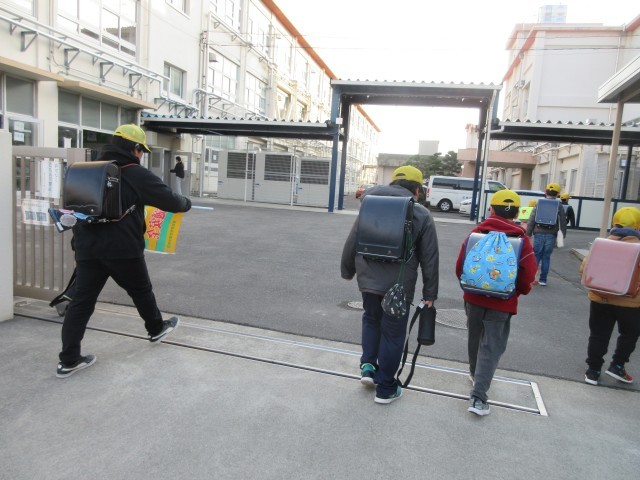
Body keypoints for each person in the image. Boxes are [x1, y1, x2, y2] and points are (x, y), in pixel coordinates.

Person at [56, 124, 192, 378]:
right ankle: (155, 328)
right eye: (142, 150)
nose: (141, 155)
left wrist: (77, 249)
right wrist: (187, 203)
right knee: (141, 290)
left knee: (82, 303)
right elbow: (170, 200)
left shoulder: (88, 170)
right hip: (123, 248)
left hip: (88, 248)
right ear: (135, 148)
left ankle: (68, 360)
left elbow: (76, 211)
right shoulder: (134, 172)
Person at [341, 166, 439, 404]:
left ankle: (368, 367)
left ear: (393, 183)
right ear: (417, 190)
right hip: (399, 287)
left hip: (368, 281)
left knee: (371, 320)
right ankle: (385, 388)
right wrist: (429, 293)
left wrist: (348, 270)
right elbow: (430, 258)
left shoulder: (370, 204)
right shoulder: (421, 214)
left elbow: (353, 240)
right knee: (393, 334)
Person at [456, 190, 537, 416]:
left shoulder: (476, 234)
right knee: (491, 346)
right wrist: (517, 292)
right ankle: (478, 397)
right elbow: (528, 274)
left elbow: (460, 266)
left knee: (474, 338)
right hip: (502, 302)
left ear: (491, 209)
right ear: (517, 213)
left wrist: (471, 287)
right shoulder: (521, 240)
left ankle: (474, 374)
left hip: (473, 298)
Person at [582, 207, 640, 386]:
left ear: (614, 224)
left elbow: (584, 269)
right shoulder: (638, 247)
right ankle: (618, 365)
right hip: (631, 303)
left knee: (598, 334)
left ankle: (593, 371)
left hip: (600, 299)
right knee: (629, 334)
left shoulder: (601, 244)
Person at [525, 182, 567, 286]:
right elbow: (563, 221)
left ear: (545, 192)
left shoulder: (539, 203)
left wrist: (528, 233)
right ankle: (543, 280)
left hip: (538, 232)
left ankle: (532, 278)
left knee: (536, 256)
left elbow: (532, 219)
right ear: (558, 194)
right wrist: (562, 236)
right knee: (546, 257)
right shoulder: (559, 205)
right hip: (551, 234)